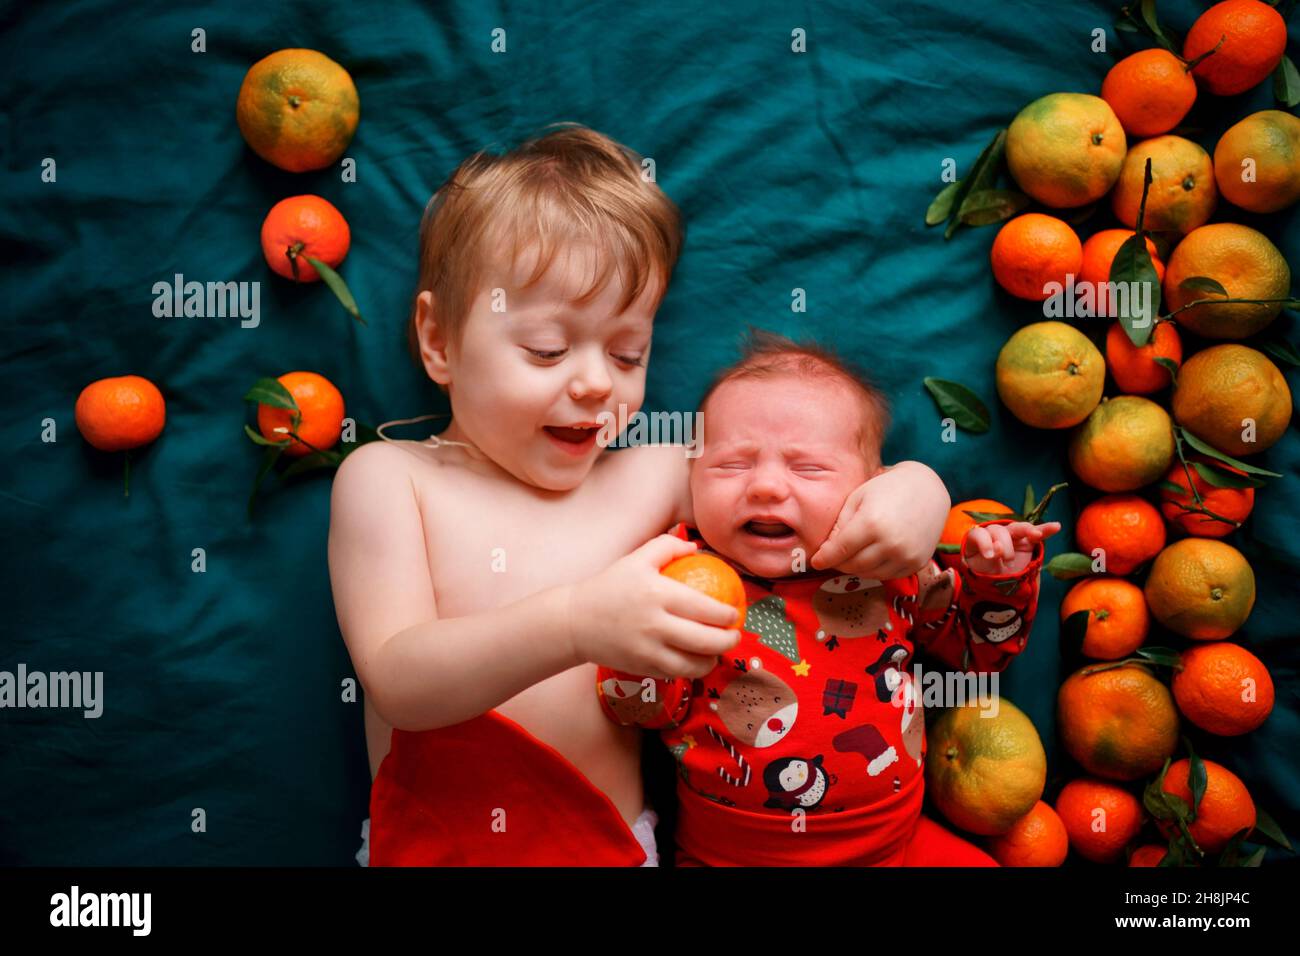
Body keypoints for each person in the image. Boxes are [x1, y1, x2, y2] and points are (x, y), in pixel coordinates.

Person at [328, 124, 956, 866]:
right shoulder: (390, 476)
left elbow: (791, 494)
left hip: (612, 847)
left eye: (629, 353)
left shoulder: (654, 472)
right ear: (438, 341)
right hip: (437, 848)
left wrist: (922, 490)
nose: (599, 383)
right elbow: (400, 681)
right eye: (547, 350)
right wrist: (572, 625)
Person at [597, 330, 1060, 865]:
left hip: (894, 845)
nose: (766, 487)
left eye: (808, 467)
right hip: (730, 855)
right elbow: (637, 710)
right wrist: (634, 640)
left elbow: (976, 657)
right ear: (691, 481)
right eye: (731, 465)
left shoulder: (889, 569)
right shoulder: (680, 573)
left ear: (870, 489)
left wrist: (996, 578)